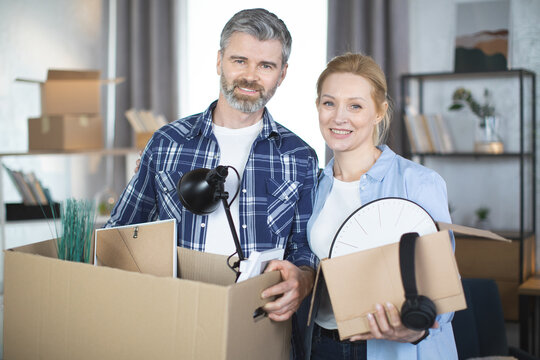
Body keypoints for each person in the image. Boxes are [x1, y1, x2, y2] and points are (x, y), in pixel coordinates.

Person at [106, 8, 318, 325]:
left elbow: (304, 248)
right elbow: (120, 233)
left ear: (282, 74)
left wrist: (302, 279)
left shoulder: (300, 156)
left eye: (266, 65)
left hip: (258, 324)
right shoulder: (167, 142)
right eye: (239, 60)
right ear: (219, 60)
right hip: (172, 317)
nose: (250, 75)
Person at [302, 53, 457, 359]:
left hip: (393, 348)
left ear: (379, 112)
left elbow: (446, 289)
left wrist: (418, 329)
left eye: (355, 106)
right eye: (329, 103)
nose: (339, 118)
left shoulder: (419, 182)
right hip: (323, 344)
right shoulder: (313, 185)